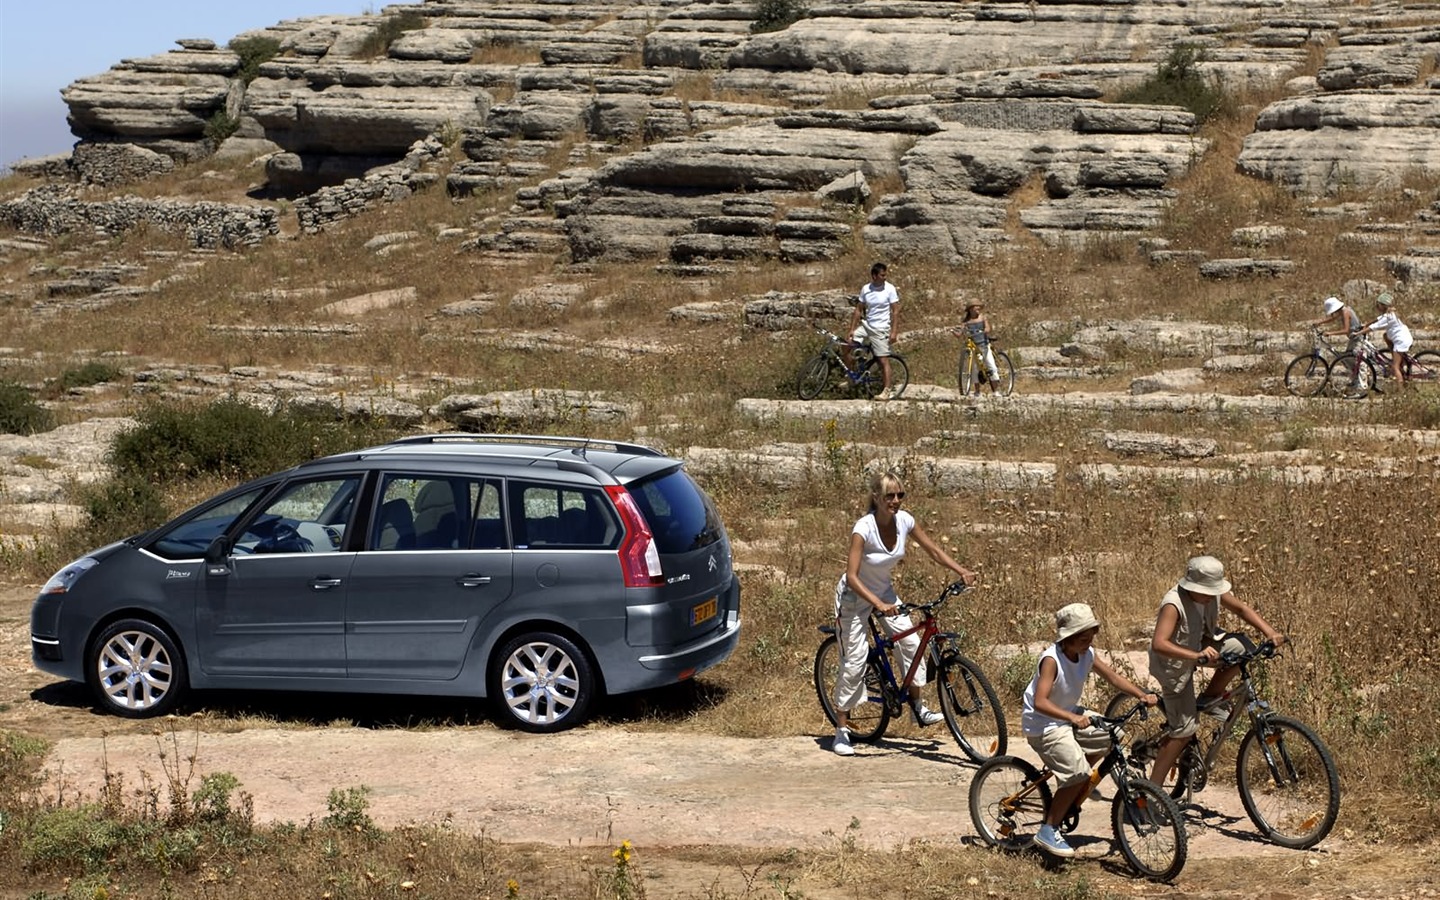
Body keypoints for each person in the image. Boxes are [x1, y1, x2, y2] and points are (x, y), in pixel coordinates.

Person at [830, 472, 977, 756]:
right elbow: (851, 576)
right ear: (877, 497)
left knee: (911, 643)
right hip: (855, 596)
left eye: (900, 495)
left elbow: (932, 550)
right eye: (889, 496)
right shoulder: (864, 528)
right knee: (855, 661)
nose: (895, 501)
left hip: (884, 592)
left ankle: (917, 708)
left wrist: (961, 570)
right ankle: (842, 730)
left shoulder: (905, 521)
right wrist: (878, 604)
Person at [1022, 603, 1158, 857]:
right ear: (1068, 638)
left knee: (1113, 734)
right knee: (1077, 773)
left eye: (1090, 637)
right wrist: (1072, 717)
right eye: (1082, 639)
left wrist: (1141, 694)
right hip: (1043, 724)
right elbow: (1040, 702)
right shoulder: (1052, 660)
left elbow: (1114, 678)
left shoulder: (1087, 654)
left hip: (1067, 716)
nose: (1087, 643)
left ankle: (1074, 788)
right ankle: (1048, 829)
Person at [1148, 556, 1286, 789]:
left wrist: (1270, 632)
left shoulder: (1213, 593)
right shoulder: (1174, 603)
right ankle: (1150, 792)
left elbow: (1241, 609)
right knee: (1183, 731)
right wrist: (1194, 656)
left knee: (1244, 649)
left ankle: (1211, 695)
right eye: (1206, 591)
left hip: (1201, 645)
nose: (1211, 596)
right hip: (1173, 663)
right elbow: (1159, 643)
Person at [843, 262, 901, 400]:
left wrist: (894, 332)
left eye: (885, 274)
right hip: (867, 326)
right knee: (846, 346)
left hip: (881, 328)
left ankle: (886, 390)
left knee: (882, 359)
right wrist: (852, 329)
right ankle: (852, 376)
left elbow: (896, 311)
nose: (885, 277)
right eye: (882, 275)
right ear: (874, 276)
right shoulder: (866, 289)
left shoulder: (890, 289)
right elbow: (858, 309)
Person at [1358, 292, 1414, 390]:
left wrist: (1358, 333)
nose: (1377, 306)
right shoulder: (1390, 314)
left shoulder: (1388, 317)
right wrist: (1366, 324)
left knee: (1395, 367)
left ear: (1382, 305)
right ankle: (1396, 356)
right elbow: (1376, 320)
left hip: (1401, 341)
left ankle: (1401, 392)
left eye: (1378, 304)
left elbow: (1374, 327)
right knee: (1385, 335)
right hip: (1404, 337)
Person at [953, 302, 1002, 394]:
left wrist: (985, 330)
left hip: (983, 345)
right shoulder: (966, 321)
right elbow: (960, 333)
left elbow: (988, 327)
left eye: (979, 307)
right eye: (976, 307)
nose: (978, 308)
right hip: (974, 347)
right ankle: (977, 390)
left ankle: (996, 390)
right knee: (975, 369)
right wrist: (955, 332)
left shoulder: (982, 317)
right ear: (971, 309)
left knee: (990, 365)